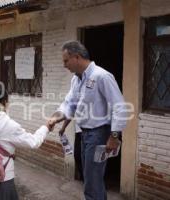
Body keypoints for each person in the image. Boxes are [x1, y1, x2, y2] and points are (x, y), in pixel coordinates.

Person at [48, 41, 127, 200]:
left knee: (91, 181)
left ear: (76, 57)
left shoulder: (101, 76)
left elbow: (119, 107)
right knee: (91, 179)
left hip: (99, 135)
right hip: (84, 135)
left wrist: (114, 136)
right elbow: (70, 104)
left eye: (65, 61)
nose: (64, 65)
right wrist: (54, 118)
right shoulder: (76, 80)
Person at [0, 84, 54, 200]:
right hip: (3, 182)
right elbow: (33, 142)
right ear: (3, 102)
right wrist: (46, 128)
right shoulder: (9, 125)